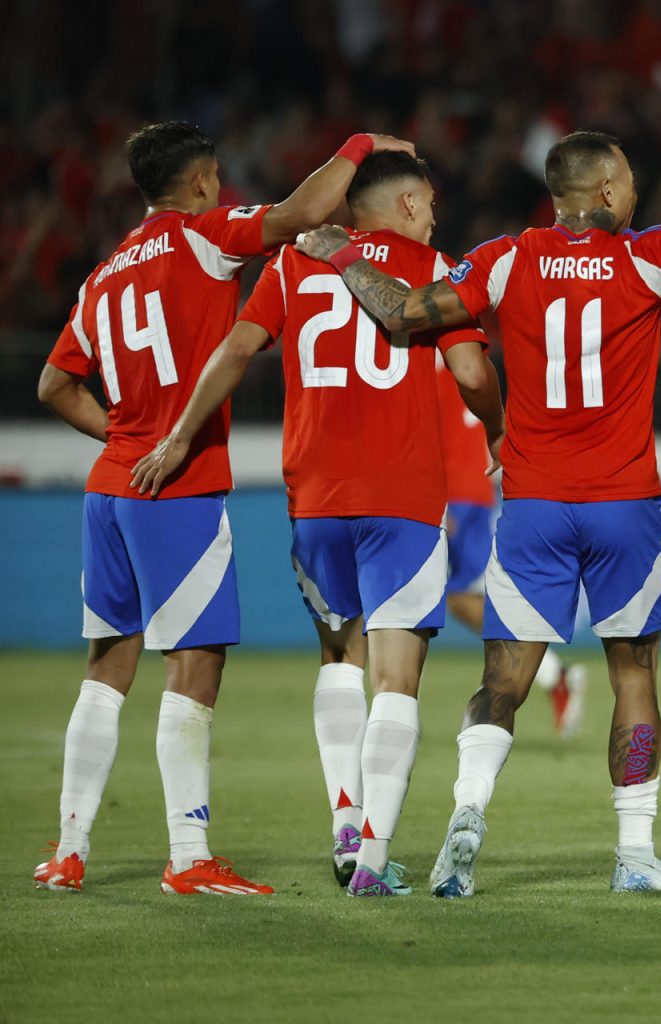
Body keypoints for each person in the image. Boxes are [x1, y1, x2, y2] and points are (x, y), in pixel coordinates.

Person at [295, 98, 661, 895]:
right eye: (624, 182)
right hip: (622, 506)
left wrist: (337, 253)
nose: (633, 195)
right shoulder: (644, 257)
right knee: (634, 676)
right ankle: (633, 853)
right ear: (599, 191)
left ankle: (469, 810)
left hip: (531, 506)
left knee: (503, 680)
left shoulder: (503, 258)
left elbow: (402, 314)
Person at [33, 122, 412, 896]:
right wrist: (358, 145)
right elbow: (306, 213)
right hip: (177, 487)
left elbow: (53, 386)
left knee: (106, 671)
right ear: (203, 181)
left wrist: (126, 434)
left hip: (110, 487)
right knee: (195, 664)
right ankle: (188, 854)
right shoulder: (205, 239)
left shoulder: (103, 275)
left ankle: (69, 851)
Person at [132, 151, 503, 897]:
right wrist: (501, 434)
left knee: (340, 657)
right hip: (402, 496)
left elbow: (237, 349)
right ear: (402, 206)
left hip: (315, 498)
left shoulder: (293, 267)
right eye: (427, 202)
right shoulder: (435, 266)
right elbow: (468, 373)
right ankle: (370, 860)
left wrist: (178, 435)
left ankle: (343, 818)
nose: (434, 215)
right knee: (398, 677)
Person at [436, 362, 588, 741]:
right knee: (460, 597)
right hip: (474, 488)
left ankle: (551, 674)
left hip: (454, 492)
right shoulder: (465, 357)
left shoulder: (426, 361)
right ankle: (552, 673)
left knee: (457, 597)